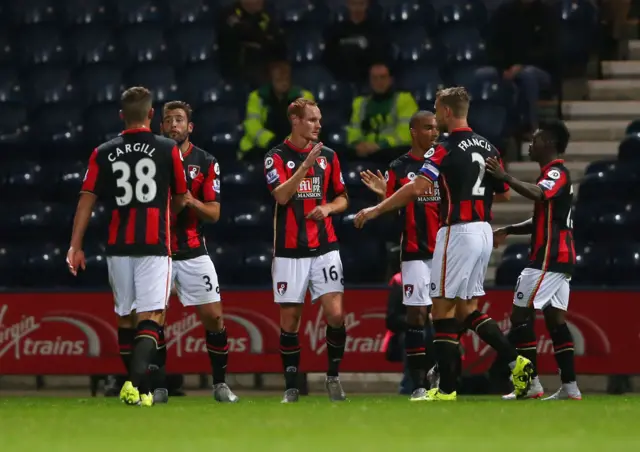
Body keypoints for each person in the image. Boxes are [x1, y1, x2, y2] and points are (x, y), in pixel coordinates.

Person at [354, 87, 534, 401]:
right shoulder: (487, 145)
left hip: (458, 232)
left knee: (441, 309)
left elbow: (417, 187)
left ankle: (446, 388)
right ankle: (516, 361)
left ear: (447, 112)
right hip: (483, 230)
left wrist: (376, 208)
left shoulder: (444, 147)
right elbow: (503, 193)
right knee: (468, 308)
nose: (436, 118)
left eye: (437, 111)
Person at [66, 86, 188, 407]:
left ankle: (142, 391)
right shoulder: (167, 148)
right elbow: (180, 197)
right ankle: (135, 385)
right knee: (152, 317)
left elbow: (86, 200)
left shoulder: (103, 151)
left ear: (122, 116)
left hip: (118, 246)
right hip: (154, 244)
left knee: (125, 318)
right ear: (151, 115)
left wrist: (75, 246)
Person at [487, 119, 581, 401]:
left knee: (520, 316)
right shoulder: (554, 174)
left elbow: (540, 194)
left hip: (548, 258)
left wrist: (506, 177)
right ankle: (570, 386)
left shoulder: (556, 173)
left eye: (536, 139)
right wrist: (510, 229)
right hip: (560, 258)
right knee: (555, 320)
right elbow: (544, 216)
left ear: (550, 144)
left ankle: (530, 384)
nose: (531, 143)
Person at [263, 98, 349, 403]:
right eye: (312, 119)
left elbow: (343, 197)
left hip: (325, 246)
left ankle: (333, 377)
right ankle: (291, 385)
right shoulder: (275, 157)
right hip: (289, 251)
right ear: (295, 121)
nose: (318, 124)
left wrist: (327, 207)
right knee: (290, 321)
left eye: (319, 119)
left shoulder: (329, 155)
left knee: (336, 314)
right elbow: (282, 196)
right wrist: (305, 166)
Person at [157, 100, 238, 403]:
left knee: (215, 319)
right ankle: (159, 385)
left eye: (179, 120)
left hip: (193, 252)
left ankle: (219, 384)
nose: (174, 125)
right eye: (168, 120)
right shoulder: (152, 161)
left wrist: (191, 202)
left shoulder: (206, 162)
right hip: (158, 253)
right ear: (161, 126)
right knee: (155, 321)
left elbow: (214, 213)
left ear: (190, 127)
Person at [360, 111, 439, 400]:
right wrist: (384, 197)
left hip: (444, 251)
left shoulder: (442, 163)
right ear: (413, 131)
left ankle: (444, 377)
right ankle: (417, 384)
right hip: (415, 251)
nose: (434, 132)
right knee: (416, 315)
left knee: (446, 317)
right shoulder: (400, 166)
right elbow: (391, 217)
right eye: (428, 128)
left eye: (436, 127)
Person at [239, 61, 315, 161]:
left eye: (286, 79)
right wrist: (270, 141)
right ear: (271, 81)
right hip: (262, 147)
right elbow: (252, 124)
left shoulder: (304, 97)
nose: (283, 83)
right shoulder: (257, 97)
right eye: (279, 80)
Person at [346, 63, 418, 160]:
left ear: (390, 80)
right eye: (375, 78)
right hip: (366, 152)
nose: (379, 82)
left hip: (393, 152)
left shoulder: (404, 100)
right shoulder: (359, 103)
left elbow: (407, 133)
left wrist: (381, 145)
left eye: (383, 77)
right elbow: (354, 131)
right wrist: (357, 144)